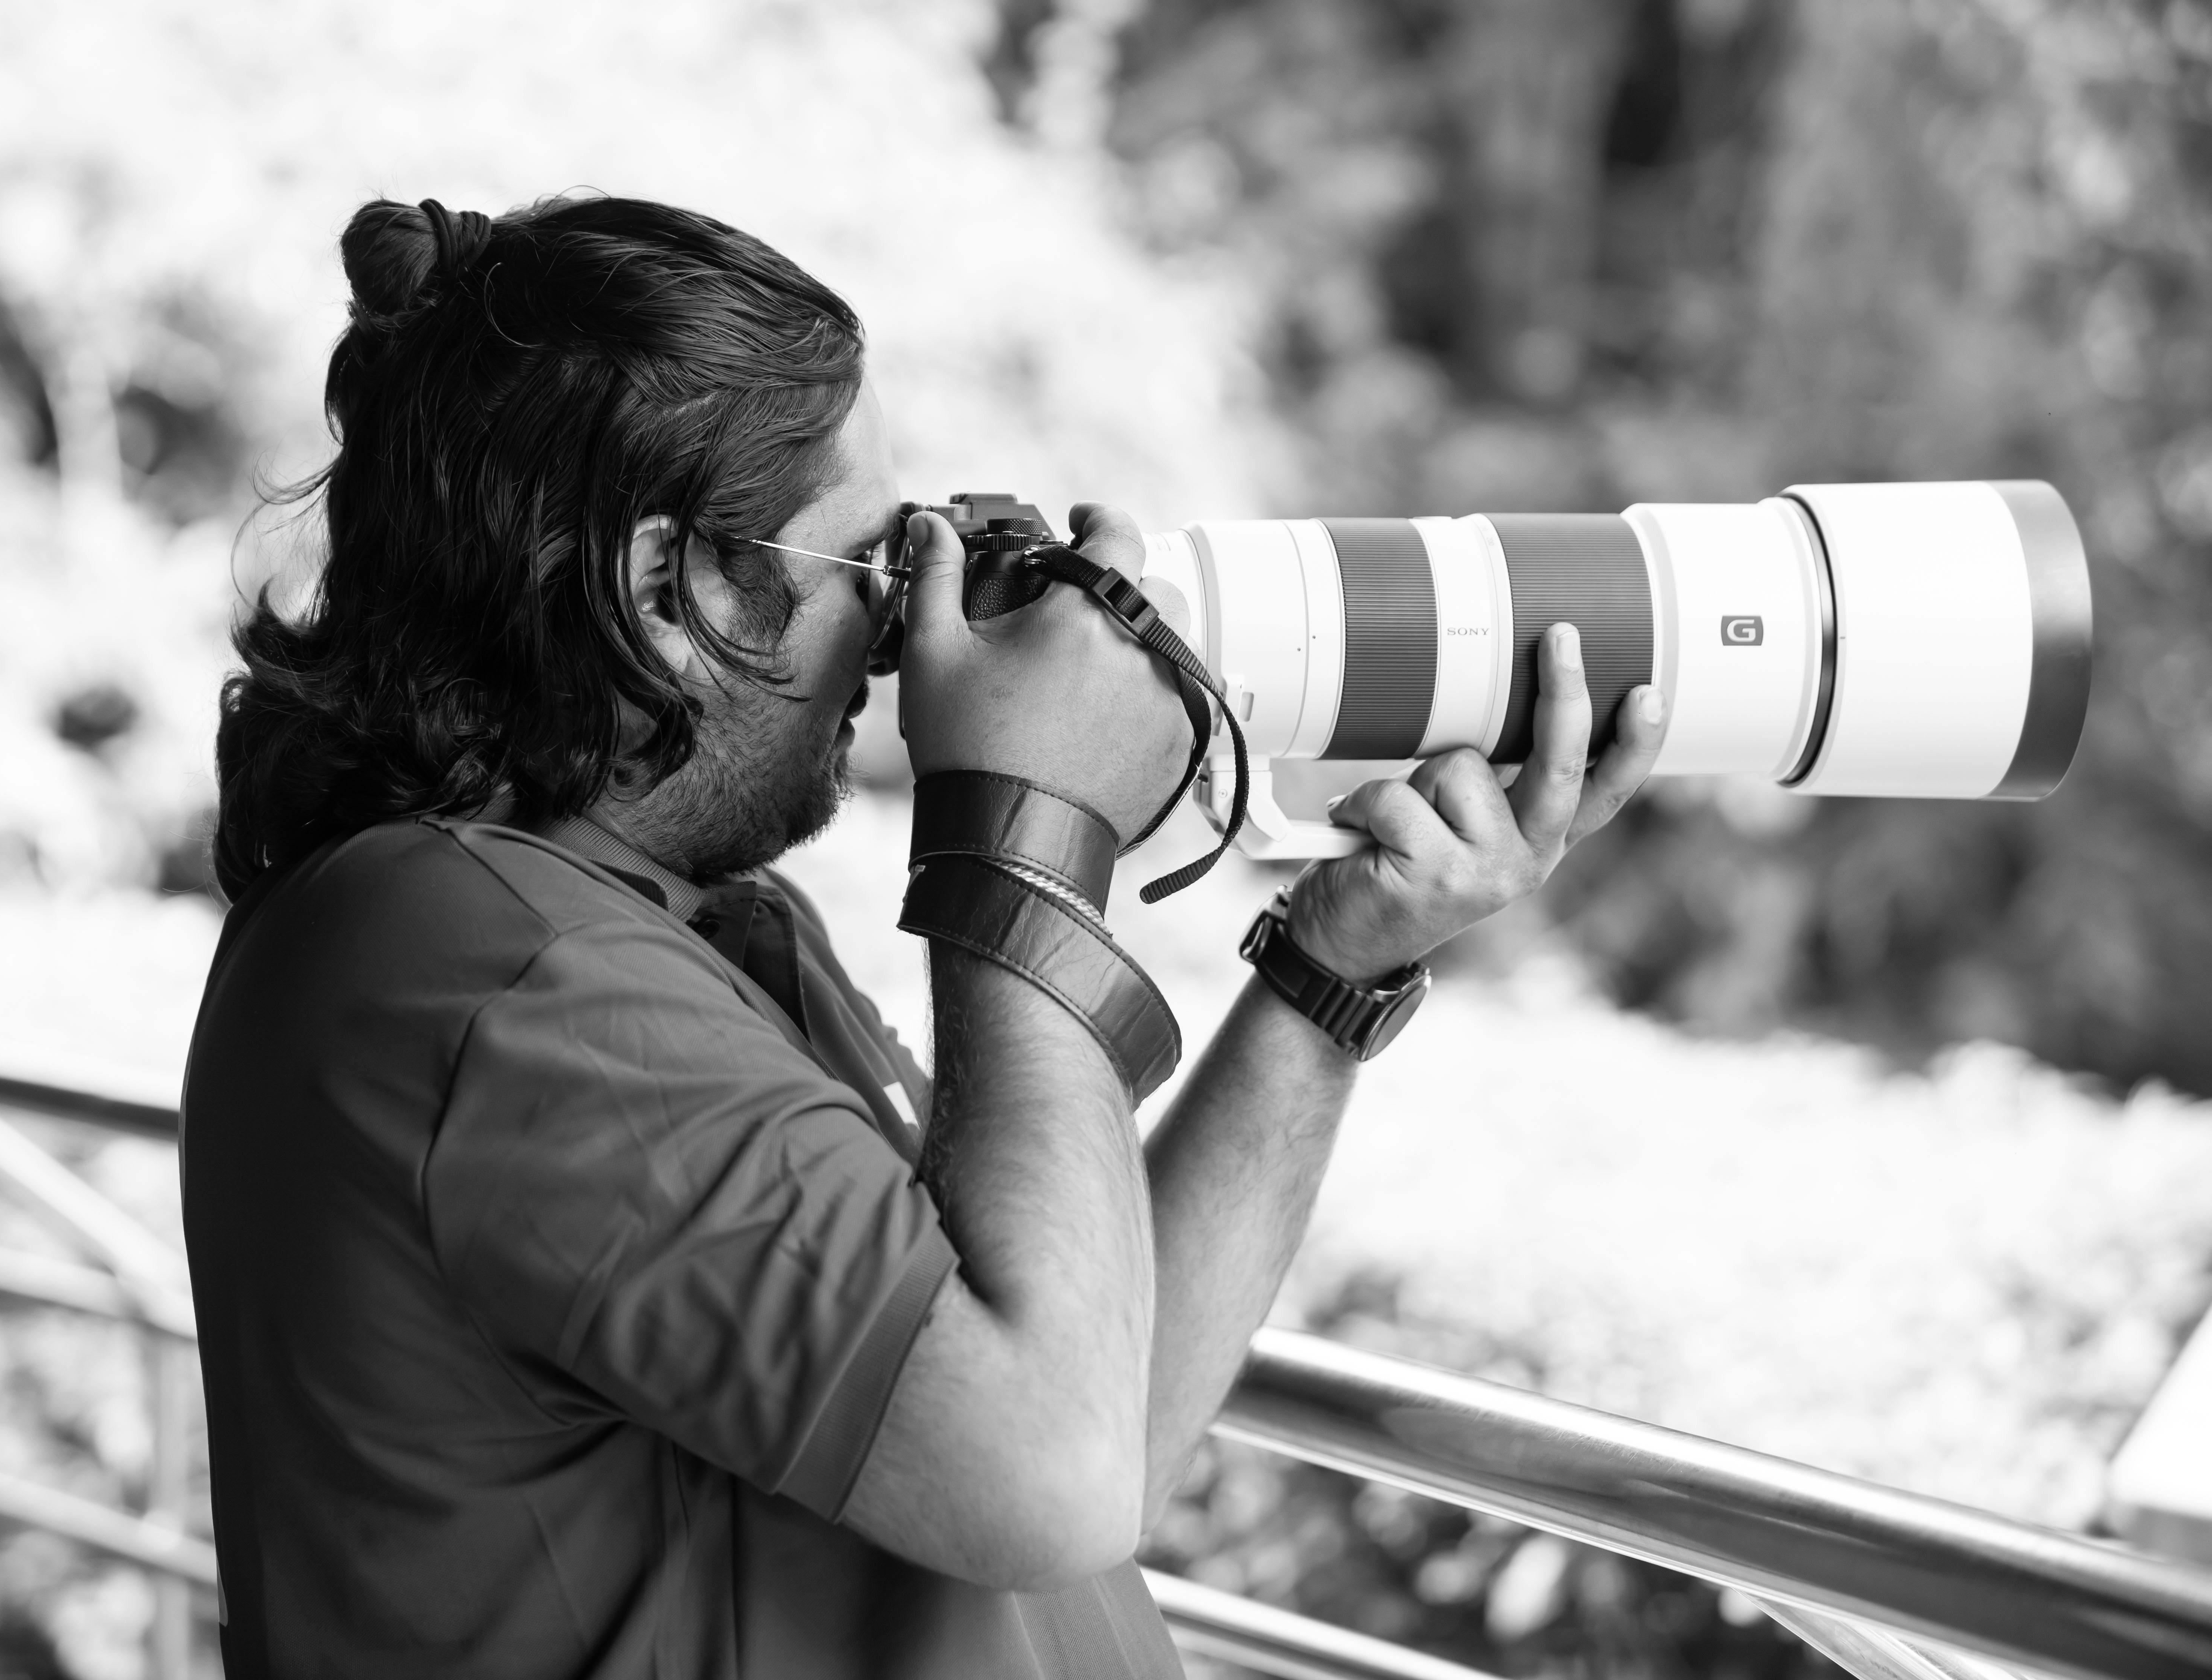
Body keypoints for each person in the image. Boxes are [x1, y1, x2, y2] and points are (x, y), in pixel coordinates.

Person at [182, 193, 1667, 1680]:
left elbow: (1100, 1426)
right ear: (664, 590)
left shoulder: (632, 932)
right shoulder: (506, 982)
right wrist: (1020, 819)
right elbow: (1053, 1470)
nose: (903, 636)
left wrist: (1331, 969)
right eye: (875, 566)